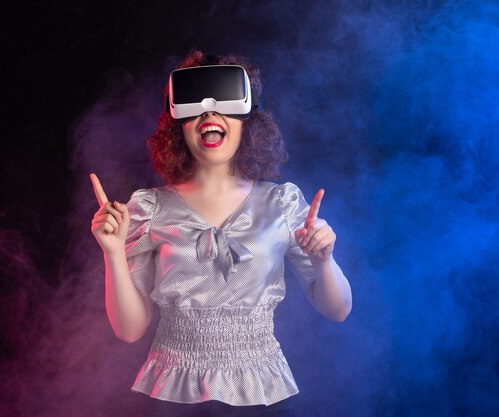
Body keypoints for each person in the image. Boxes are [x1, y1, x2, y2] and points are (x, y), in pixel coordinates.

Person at [89, 51, 352, 417]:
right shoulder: (148, 209)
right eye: (195, 105)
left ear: (248, 120)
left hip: (262, 393)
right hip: (170, 397)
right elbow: (130, 331)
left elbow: (337, 310)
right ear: (177, 125)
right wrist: (113, 253)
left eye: (223, 103)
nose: (209, 113)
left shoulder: (282, 204)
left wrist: (325, 260)